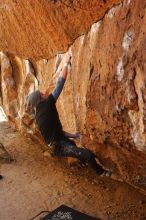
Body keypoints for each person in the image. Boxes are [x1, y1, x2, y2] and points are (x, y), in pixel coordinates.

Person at [26, 53, 108, 176]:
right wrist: (65, 63)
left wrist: (74, 135)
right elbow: (59, 85)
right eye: (42, 94)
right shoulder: (47, 105)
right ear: (40, 99)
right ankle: (101, 173)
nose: (44, 93)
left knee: (72, 144)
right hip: (58, 147)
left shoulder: (39, 113)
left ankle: (81, 161)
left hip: (57, 142)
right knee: (86, 154)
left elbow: (57, 132)